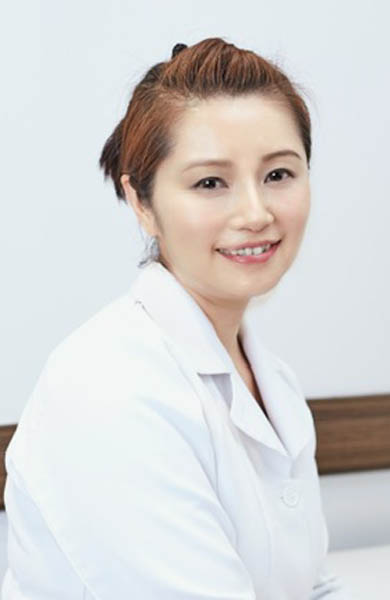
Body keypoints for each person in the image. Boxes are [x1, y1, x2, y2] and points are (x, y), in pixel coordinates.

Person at [1, 38, 353, 599]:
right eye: (210, 183)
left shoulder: (272, 381)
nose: (255, 213)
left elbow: (309, 586)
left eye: (279, 174)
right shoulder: (108, 389)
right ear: (141, 202)